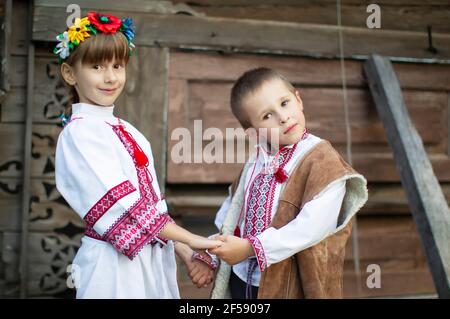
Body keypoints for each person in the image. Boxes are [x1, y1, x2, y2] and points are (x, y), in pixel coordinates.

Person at [54, 12, 222, 299]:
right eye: (96, 66)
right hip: (113, 267)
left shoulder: (129, 131)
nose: (110, 77)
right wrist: (192, 238)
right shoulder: (79, 134)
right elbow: (129, 208)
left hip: (150, 260)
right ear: (70, 74)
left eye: (118, 66)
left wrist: (183, 250)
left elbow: (153, 208)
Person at [189, 67, 368, 298]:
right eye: (267, 116)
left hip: (291, 283)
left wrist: (250, 248)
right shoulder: (255, 164)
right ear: (253, 133)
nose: (283, 117)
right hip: (243, 279)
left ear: (298, 100)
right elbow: (231, 217)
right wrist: (211, 255)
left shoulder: (322, 161)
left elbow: (311, 227)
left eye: (284, 103)